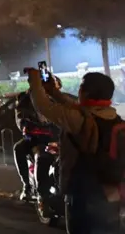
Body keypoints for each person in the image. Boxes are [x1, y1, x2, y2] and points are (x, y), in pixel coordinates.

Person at [25, 69, 121, 233]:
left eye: (81, 87)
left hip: (83, 194)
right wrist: (54, 92)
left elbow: (43, 106)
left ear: (87, 93)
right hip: (111, 193)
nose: (78, 91)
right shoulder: (112, 117)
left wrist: (35, 80)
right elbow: (76, 106)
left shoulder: (80, 120)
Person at [13, 78, 62, 202]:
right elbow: (20, 116)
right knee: (20, 148)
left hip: (57, 139)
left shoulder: (59, 99)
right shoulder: (25, 98)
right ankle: (28, 186)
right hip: (35, 138)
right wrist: (25, 126)